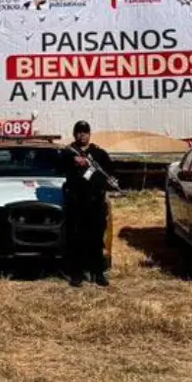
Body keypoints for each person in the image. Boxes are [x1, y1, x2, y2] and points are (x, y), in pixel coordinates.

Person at [57, 120, 116, 287]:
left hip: (95, 203)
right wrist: (73, 162)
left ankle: (98, 272)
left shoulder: (98, 153)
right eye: (78, 132)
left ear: (89, 134)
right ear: (74, 134)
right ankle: (77, 273)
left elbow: (109, 173)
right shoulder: (68, 153)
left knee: (96, 238)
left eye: (84, 132)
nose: (81, 135)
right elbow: (59, 169)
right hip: (76, 203)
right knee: (75, 238)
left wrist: (95, 173)